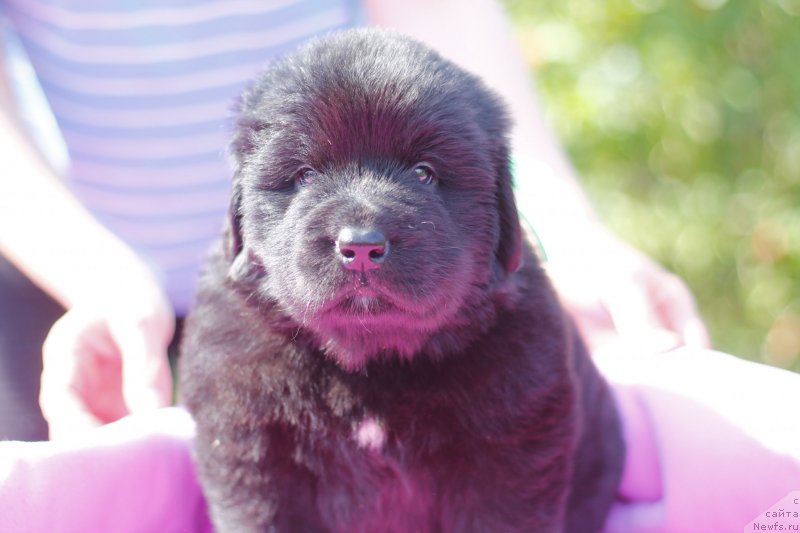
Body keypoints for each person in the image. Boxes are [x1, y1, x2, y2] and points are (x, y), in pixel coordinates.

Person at [0, 0, 707, 442]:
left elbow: (438, 15)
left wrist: (564, 234)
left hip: (372, 287)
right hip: (75, 272)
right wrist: (96, 277)